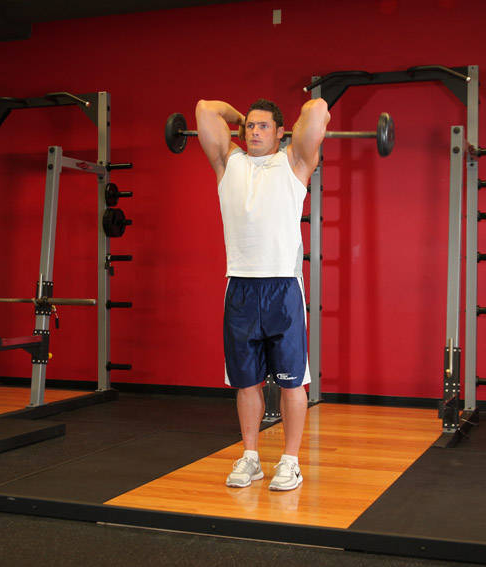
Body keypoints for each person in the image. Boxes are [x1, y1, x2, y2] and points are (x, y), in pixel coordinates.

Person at [195, 97, 329, 491]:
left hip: (282, 289)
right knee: (246, 381)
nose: (254, 132)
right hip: (239, 285)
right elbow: (204, 109)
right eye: (250, 127)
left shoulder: (295, 163)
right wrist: (237, 119)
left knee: (291, 382)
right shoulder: (227, 163)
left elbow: (318, 108)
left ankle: (290, 461)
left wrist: (283, 130)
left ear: (280, 132)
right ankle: (250, 456)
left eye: (262, 126)